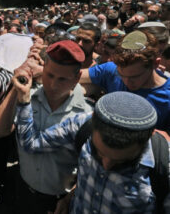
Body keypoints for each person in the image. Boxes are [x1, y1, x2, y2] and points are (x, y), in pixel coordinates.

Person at [14, 91, 170, 214]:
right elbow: (31, 143)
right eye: (98, 153)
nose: (106, 166)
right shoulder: (82, 125)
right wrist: (23, 100)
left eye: (122, 162)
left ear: (148, 137)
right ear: (93, 121)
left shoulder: (165, 165)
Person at [0, 40, 93, 214]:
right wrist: (15, 89)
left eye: (63, 79)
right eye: (49, 75)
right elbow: (0, 131)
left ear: (77, 78)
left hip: (60, 201)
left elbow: (91, 167)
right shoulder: (27, 97)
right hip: (24, 191)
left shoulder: (85, 116)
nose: (53, 85)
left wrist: (71, 195)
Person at [81, 30, 170, 132]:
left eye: (135, 77)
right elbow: (72, 77)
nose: (126, 82)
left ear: (155, 63)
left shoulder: (167, 96)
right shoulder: (111, 70)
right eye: (121, 75)